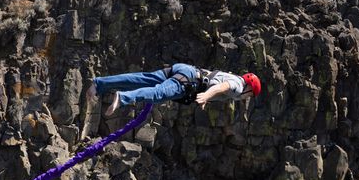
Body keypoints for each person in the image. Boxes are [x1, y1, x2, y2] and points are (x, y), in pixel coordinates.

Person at [87, 64, 262, 116]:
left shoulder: (232, 76)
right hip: (188, 81)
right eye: (250, 96)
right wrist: (206, 96)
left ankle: (99, 84)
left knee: (141, 79)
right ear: (249, 89)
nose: (246, 99)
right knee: (157, 94)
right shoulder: (238, 86)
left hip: (184, 70)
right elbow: (222, 86)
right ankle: (123, 97)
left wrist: (206, 97)